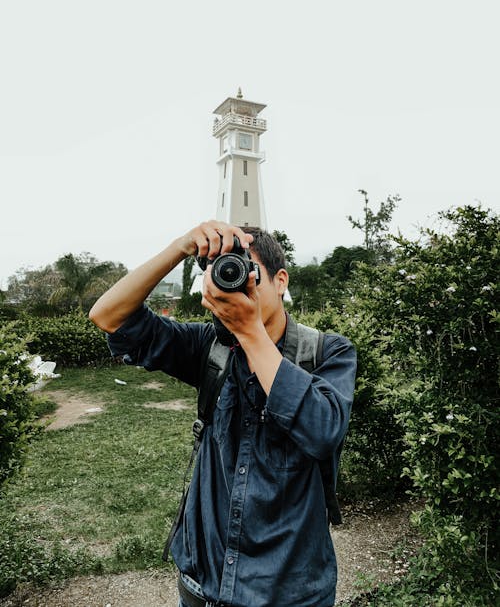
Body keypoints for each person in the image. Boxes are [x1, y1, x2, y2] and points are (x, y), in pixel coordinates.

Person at [89, 220, 356, 607]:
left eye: (248, 272)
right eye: (221, 273)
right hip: (203, 587)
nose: (235, 283)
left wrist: (250, 333)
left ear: (281, 281)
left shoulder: (328, 353)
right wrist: (179, 248)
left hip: (289, 594)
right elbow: (109, 317)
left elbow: (323, 429)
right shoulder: (209, 347)